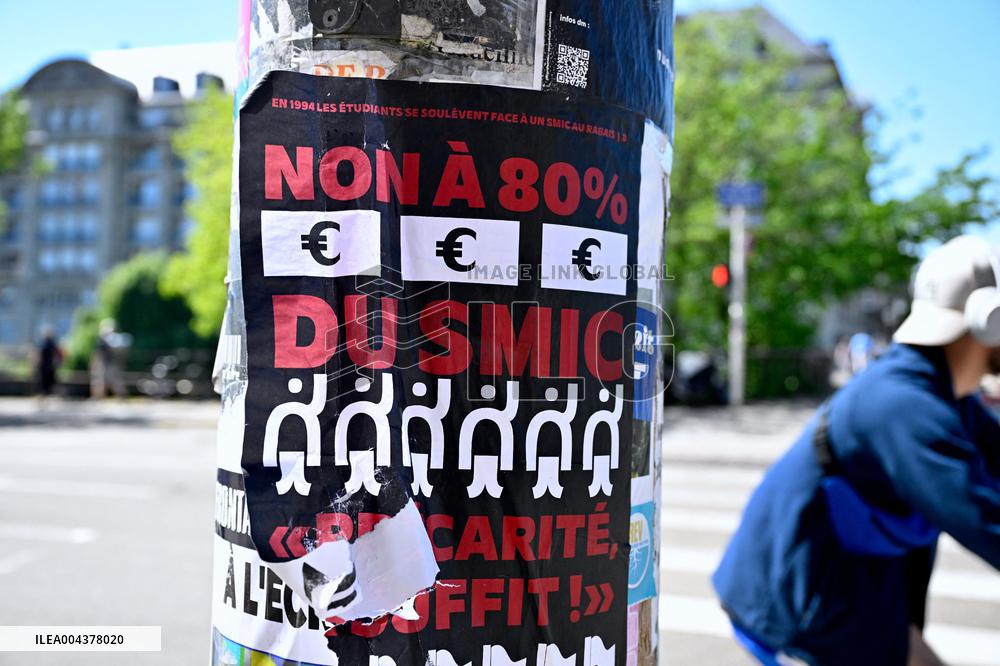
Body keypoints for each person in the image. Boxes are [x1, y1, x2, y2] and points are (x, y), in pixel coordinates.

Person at [713, 235, 1000, 666]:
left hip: (853, 591)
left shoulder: (944, 396)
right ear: (986, 321)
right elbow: (984, 514)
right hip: (800, 605)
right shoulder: (901, 403)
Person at [35, 326, 62, 398]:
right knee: (46, 383)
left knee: (47, 383)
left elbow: (58, 354)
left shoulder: (48, 343)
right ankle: (45, 394)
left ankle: (45, 394)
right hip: (47, 366)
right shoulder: (49, 343)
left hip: (47, 366)